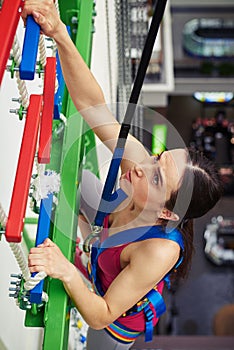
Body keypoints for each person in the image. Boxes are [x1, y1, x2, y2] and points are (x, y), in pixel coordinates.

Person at [22, 1, 223, 349]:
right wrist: (59, 34)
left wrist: (66, 270)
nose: (141, 167)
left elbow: (101, 315)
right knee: (81, 181)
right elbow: (91, 107)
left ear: (166, 214)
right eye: (157, 159)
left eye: (157, 178)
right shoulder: (141, 169)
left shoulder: (159, 251)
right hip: (104, 244)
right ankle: (85, 250)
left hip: (113, 325)